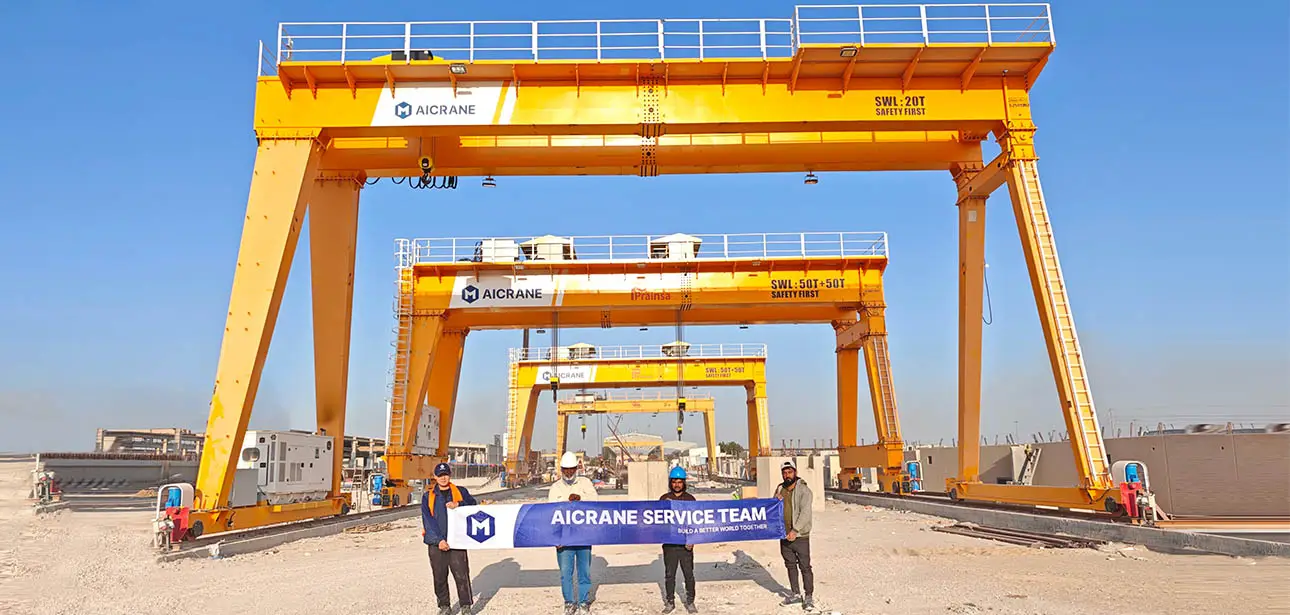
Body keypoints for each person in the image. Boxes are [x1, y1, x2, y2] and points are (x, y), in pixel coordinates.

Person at [421, 462, 478, 615]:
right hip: (437, 544)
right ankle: (444, 606)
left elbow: (473, 506)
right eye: (440, 475)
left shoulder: (460, 492)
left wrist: (459, 504)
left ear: (450, 475)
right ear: (435, 477)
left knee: (462, 575)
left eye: (445, 474)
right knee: (439, 576)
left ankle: (466, 605)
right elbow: (428, 521)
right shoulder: (428, 497)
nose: (443, 478)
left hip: (457, 541)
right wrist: (439, 540)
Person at [549, 451, 599, 615]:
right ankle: (569, 602)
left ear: (576, 468)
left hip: (583, 536)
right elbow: (551, 513)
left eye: (571, 469)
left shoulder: (585, 483)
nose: (569, 472)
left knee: (584, 572)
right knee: (565, 573)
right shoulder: (555, 487)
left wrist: (581, 499)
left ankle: (583, 602)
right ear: (561, 469)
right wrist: (555, 538)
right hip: (564, 538)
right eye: (566, 469)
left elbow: (596, 503)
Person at [773, 460, 814, 611]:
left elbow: (805, 513)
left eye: (789, 472)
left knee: (805, 566)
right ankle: (795, 593)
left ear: (795, 472)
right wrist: (774, 499)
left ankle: (808, 596)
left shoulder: (804, 490)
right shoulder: (780, 488)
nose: (787, 475)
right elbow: (773, 509)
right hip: (784, 535)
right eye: (784, 472)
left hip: (800, 535)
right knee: (790, 565)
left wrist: (795, 530)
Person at [658, 465, 697, 614]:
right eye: (674, 481)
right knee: (670, 575)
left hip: (686, 545)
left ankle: (690, 601)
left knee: (689, 574)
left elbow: (695, 522)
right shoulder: (664, 499)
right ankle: (670, 602)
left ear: (684, 483)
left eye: (680, 482)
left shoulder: (690, 499)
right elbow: (658, 521)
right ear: (670, 482)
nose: (677, 484)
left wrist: (692, 540)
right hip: (669, 545)